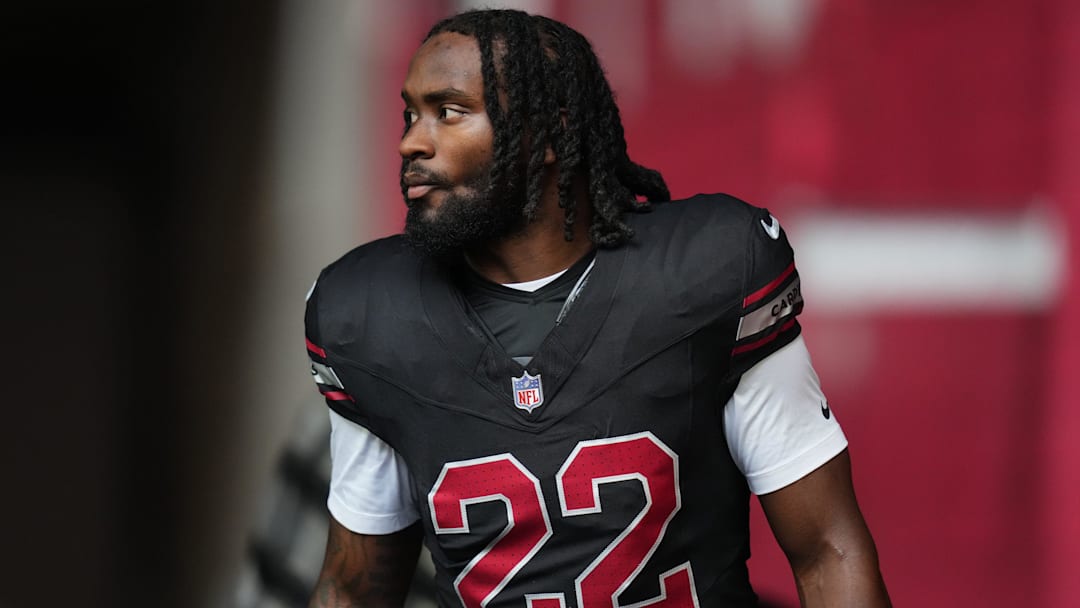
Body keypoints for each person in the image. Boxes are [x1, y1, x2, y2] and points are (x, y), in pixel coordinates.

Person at [304, 9, 890, 608]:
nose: (411, 141)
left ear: (552, 135)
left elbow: (826, 549)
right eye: (410, 114)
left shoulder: (702, 276)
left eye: (450, 112)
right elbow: (352, 590)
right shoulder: (371, 317)